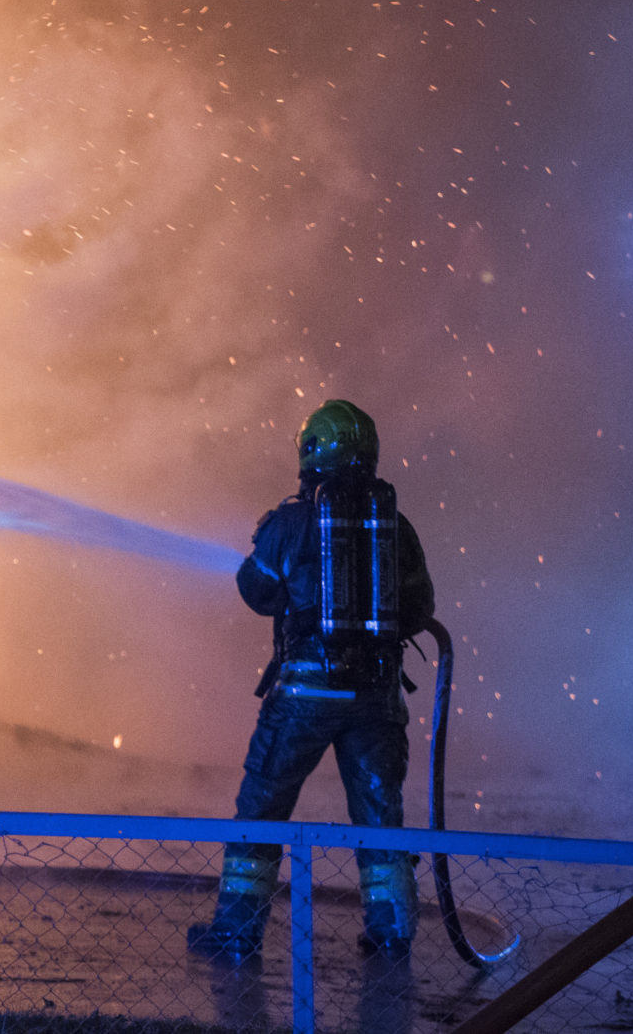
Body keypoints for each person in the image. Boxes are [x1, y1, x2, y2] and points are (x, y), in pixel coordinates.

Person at [188, 398, 435, 962]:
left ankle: (236, 933)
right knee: (380, 817)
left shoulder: (291, 522)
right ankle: (393, 935)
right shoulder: (394, 525)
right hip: (375, 697)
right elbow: (420, 607)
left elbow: (254, 591)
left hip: (301, 697)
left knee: (263, 808)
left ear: (310, 452)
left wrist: (300, 599)